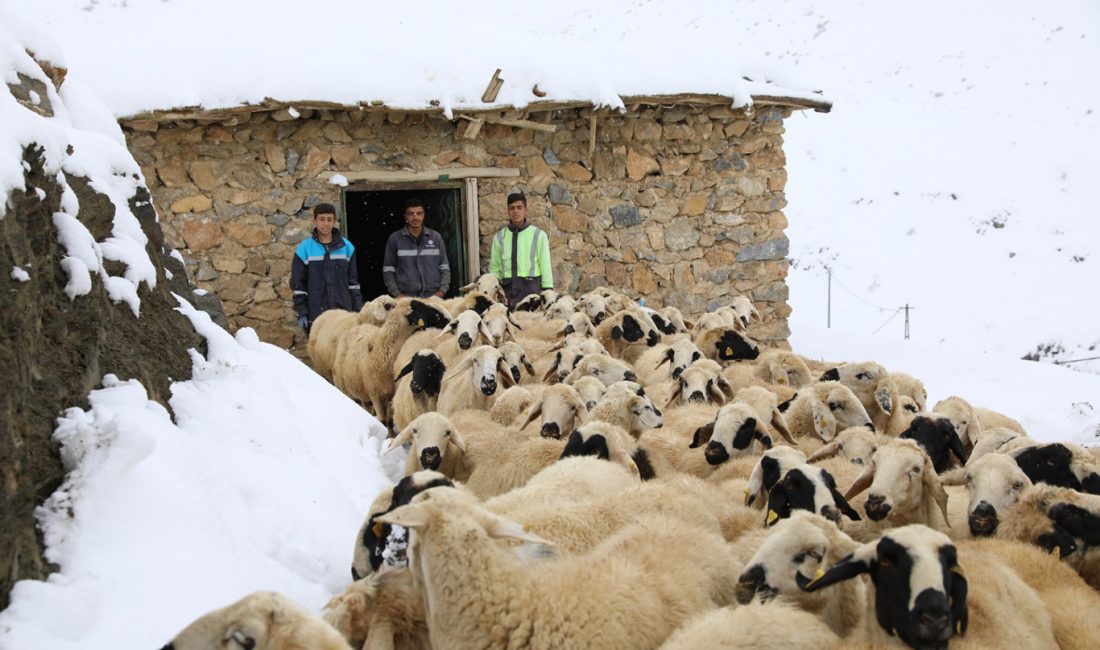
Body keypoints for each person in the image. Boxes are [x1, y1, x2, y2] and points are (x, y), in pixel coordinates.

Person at [290, 203, 363, 334]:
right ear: (315, 221)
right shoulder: (304, 249)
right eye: (322, 219)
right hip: (317, 314)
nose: (326, 224)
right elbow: (298, 286)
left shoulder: (347, 247)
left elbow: (353, 284)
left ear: (334, 221)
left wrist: (358, 311)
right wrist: (302, 312)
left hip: (344, 313)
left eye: (329, 219)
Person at [489, 192, 553, 307]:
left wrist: (548, 290)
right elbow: (495, 267)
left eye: (519, 207)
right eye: (512, 208)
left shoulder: (538, 235)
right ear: (508, 211)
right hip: (507, 292)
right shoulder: (499, 237)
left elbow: (545, 264)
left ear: (525, 210)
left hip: (531, 290)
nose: (515, 211)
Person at [382, 198, 451, 298]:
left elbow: (444, 267)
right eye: (411, 214)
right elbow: (388, 270)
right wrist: (397, 294)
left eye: (419, 213)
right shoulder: (395, 239)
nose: (415, 217)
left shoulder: (436, 237)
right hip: (406, 299)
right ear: (405, 216)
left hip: (433, 297)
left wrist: (441, 292)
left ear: (424, 215)